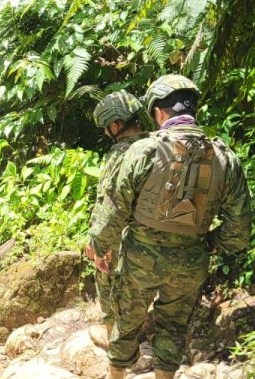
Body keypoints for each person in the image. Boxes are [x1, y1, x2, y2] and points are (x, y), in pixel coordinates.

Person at [87, 75, 252, 379]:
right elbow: (239, 228)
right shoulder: (225, 157)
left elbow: (115, 211)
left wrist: (99, 246)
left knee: (127, 323)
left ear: (159, 113)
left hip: (141, 259)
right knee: (173, 327)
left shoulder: (143, 151)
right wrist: (208, 243)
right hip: (192, 261)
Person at [86, 90, 148, 350]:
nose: (104, 134)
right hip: (158, 237)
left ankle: (115, 337)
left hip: (125, 236)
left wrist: (98, 243)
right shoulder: (158, 145)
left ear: (116, 124)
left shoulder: (121, 154)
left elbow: (110, 203)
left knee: (105, 276)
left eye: (106, 128)